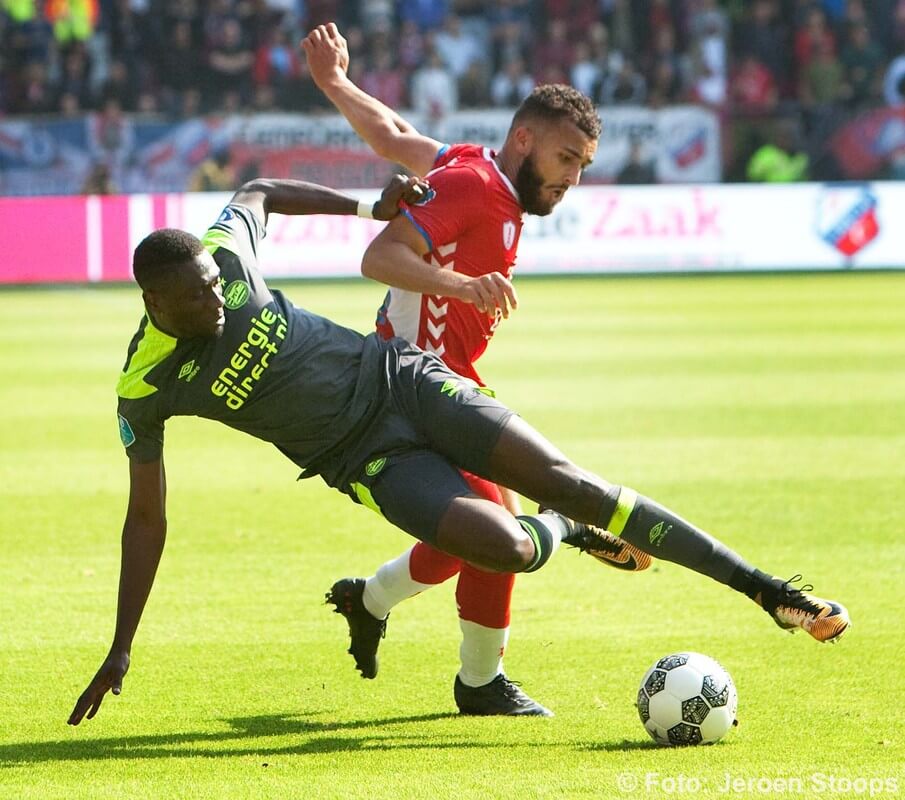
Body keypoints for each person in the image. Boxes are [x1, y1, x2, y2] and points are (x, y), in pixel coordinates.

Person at [67, 173, 849, 727]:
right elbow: (145, 520)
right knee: (505, 546)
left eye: (213, 283)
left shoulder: (227, 261)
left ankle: (769, 592)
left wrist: (366, 204)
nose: (214, 299)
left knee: (572, 480)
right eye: (195, 296)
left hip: (400, 378)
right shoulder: (144, 386)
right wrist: (121, 645)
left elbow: (258, 193)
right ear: (152, 302)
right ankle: (567, 531)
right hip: (363, 460)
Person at [303, 22, 650, 717]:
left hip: (448, 377)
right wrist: (461, 285)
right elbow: (377, 258)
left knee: (467, 537)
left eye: (582, 165)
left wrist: (337, 84)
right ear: (523, 140)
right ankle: (479, 682)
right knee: (503, 536)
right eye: (565, 159)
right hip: (413, 384)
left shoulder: (473, 166)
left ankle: (366, 601)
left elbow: (396, 136)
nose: (573, 179)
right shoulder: (472, 185)